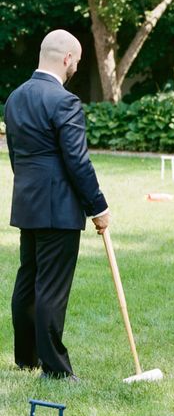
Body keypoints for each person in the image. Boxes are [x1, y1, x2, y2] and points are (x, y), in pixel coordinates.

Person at [4, 29, 109, 379]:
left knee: (28, 281)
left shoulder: (15, 98)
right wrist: (98, 207)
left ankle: (26, 358)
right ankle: (56, 370)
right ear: (66, 59)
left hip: (28, 203)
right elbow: (77, 161)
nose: (76, 67)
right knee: (50, 289)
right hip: (59, 209)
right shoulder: (64, 101)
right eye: (76, 61)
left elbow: (17, 156)